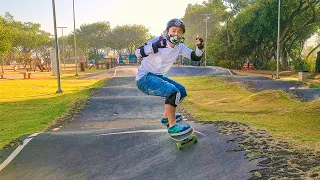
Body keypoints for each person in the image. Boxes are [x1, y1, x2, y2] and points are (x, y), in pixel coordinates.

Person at [135, 18, 204, 136]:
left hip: (158, 76)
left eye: (179, 31)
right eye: (173, 30)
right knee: (172, 92)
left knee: (181, 91)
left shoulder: (180, 47)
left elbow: (195, 57)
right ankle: (172, 127)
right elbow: (137, 53)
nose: (176, 34)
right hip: (144, 78)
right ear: (168, 31)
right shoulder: (158, 40)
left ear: (182, 34)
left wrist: (200, 48)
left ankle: (166, 118)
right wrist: (154, 46)